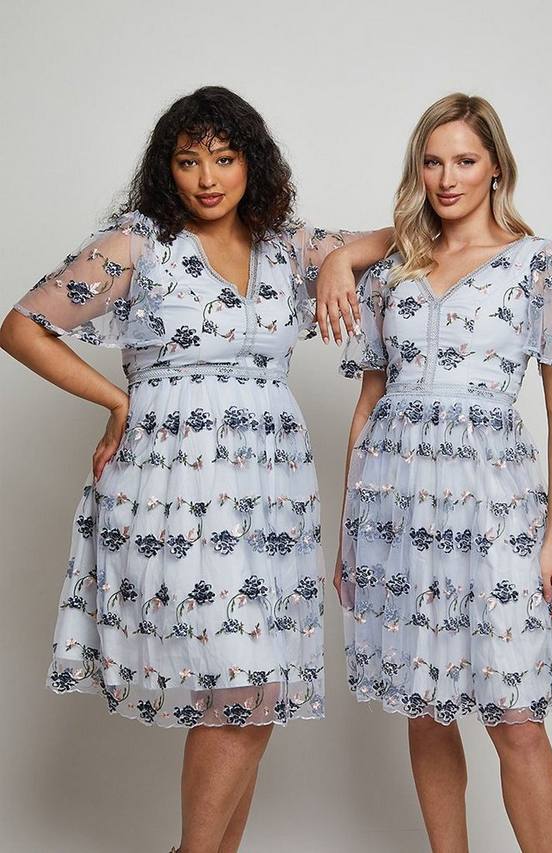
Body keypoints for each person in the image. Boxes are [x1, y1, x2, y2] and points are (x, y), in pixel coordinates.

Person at [0, 86, 390, 853]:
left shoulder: (288, 246)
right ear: (166, 168)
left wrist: (342, 257)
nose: (207, 178)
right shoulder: (138, 244)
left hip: (270, 494)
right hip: (174, 490)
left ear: (252, 163)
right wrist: (116, 398)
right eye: (188, 161)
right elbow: (22, 326)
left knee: (259, 687)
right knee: (239, 678)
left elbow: (415, 231)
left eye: (224, 158)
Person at [333, 92, 552, 852]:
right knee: (426, 708)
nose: (447, 178)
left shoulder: (543, 266)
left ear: (495, 169)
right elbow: (368, 403)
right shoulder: (392, 270)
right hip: (394, 509)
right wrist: (350, 530)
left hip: (493, 508)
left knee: (516, 717)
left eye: (464, 160)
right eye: (432, 162)